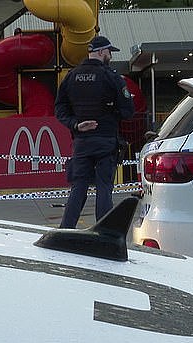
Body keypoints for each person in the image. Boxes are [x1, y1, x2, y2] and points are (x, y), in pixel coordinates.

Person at [55, 35, 135, 229]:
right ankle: (104, 232)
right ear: (100, 52)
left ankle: (66, 229)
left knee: (78, 187)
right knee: (104, 188)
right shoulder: (112, 77)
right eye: (109, 52)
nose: (110, 56)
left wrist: (76, 124)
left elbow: (59, 108)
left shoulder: (71, 76)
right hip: (106, 140)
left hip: (82, 142)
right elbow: (128, 111)